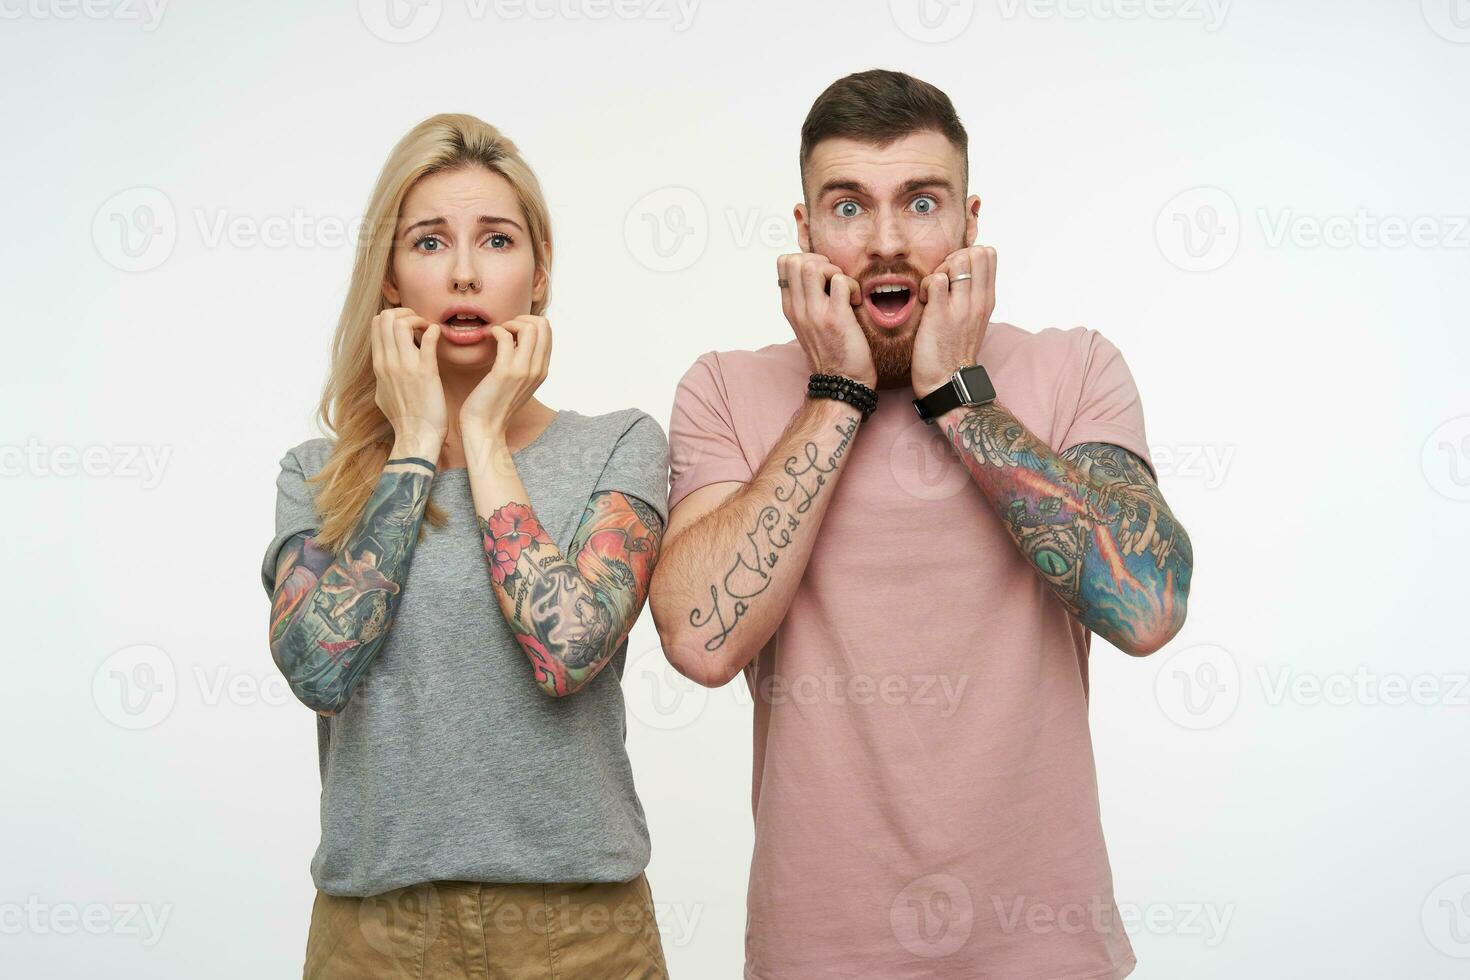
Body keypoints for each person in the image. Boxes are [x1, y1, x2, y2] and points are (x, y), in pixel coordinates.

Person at [649, 70, 1194, 979]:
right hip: (819, 954)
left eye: (922, 202)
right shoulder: (726, 389)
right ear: (805, 232)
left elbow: (1148, 608)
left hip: (1045, 951)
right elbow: (703, 642)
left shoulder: (1076, 368)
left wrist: (959, 394)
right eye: (850, 207)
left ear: (971, 223)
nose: (889, 242)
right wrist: (836, 390)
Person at [260, 113, 671, 979]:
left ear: (539, 274)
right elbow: (318, 670)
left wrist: (481, 435)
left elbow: (568, 653)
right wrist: (414, 446)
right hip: (375, 937)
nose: (464, 271)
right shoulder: (314, 473)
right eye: (428, 241)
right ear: (387, 278)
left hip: (579, 933)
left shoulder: (619, 444)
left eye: (496, 239)